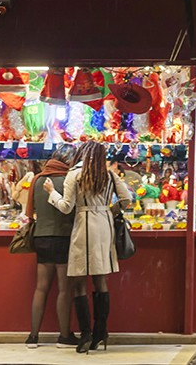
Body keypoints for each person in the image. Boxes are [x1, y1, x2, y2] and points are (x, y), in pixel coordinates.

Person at [44, 142, 133, 353]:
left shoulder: (74, 175)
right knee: (101, 280)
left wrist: (51, 192)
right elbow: (127, 199)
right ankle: (101, 331)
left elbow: (66, 207)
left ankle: (85, 334)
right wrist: (108, 211)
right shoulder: (109, 175)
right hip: (104, 227)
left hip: (83, 226)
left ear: (82, 154)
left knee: (79, 281)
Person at [26, 145, 80, 349]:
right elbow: (72, 210)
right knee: (65, 289)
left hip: (41, 237)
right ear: (69, 160)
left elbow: (30, 211)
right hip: (64, 238)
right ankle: (64, 336)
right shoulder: (69, 179)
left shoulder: (38, 179)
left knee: (41, 288)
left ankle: (33, 336)